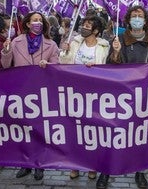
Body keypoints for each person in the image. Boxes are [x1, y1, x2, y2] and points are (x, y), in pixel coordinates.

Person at [105, 5, 148, 189]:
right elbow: (109, 65)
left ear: (145, 20)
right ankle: (105, 171)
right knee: (114, 134)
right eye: (134, 16)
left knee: (140, 135)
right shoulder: (119, 38)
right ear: (128, 20)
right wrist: (115, 52)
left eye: (140, 16)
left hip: (143, 97)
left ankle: (140, 171)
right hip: (120, 95)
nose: (137, 18)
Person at [1, 11, 59, 181]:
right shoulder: (16, 42)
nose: (38, 23)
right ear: (27, 24)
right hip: (22, 91)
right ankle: (25, 163)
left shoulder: (51, 44)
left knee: (39, 129)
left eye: (40, 20)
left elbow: (56, 67)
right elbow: (5, 65)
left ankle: (39, 165)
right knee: (23, 129)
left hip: (41, 93)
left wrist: (47, 65)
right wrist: (6, 50)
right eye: (34, 20)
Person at [59, 14, 109, 181]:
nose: (84, 27)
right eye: (84, 24)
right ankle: (75, 164)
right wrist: (65, 51)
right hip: (75, 91)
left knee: (93, 131)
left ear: (96, 30)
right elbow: (63, 62)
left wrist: (96, 68)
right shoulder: (74, 42)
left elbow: (109, 68)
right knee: (75, 129)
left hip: (95, 94)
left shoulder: (104, 46)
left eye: (88, 25)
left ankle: (92, 165)